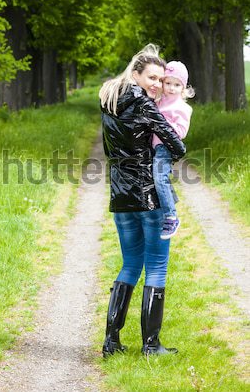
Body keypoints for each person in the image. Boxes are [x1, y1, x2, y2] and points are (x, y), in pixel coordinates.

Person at [99, 44, 186, 358]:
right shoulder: (144, 104)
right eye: (152, 77)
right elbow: (177, 145)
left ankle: (111, 342)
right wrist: (166, 153)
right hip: (149, 195)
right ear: (135, 73)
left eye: (161, 80)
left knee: (131, 264)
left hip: (120, 195)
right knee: (158, 267)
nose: (157, 85)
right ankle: (151, 346)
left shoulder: (108, 100)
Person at [151, 61, 194, 240]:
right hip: (152, 147)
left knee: (159, 178)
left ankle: (171, 216)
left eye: (177, 85)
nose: (171, 88)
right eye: (168, 83)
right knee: (158, 180)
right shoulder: (158, 102)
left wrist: (162, 124)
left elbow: (181, 132)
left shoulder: (183, 108)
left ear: (183, 87)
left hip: (164, 148)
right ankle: (164, 208)